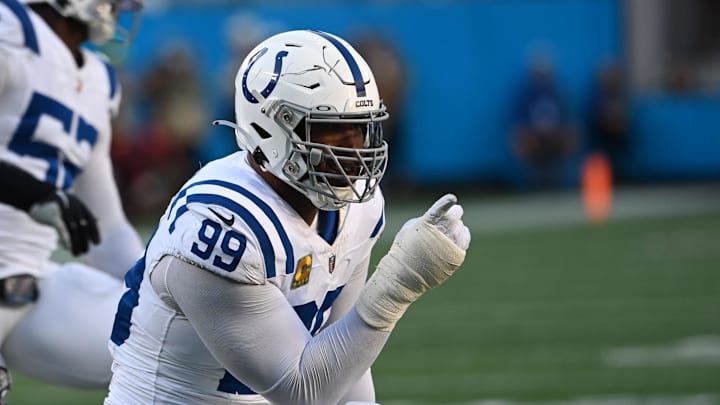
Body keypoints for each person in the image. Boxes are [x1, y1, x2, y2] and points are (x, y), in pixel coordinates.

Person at [105, 30, 470, 405]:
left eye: (361, 127)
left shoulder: (360, 206)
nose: (356, 148)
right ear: (271, 127)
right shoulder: (219, 222)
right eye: (332, 129)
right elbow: (302, 391)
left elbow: (346, 358)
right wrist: (398, 285)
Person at [0, 0, 143, 401]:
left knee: (170, 344)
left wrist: (161, 286)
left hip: (29, 284)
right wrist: (28, 192)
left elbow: (107, 227)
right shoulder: (9, 32)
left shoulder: (98, 80)